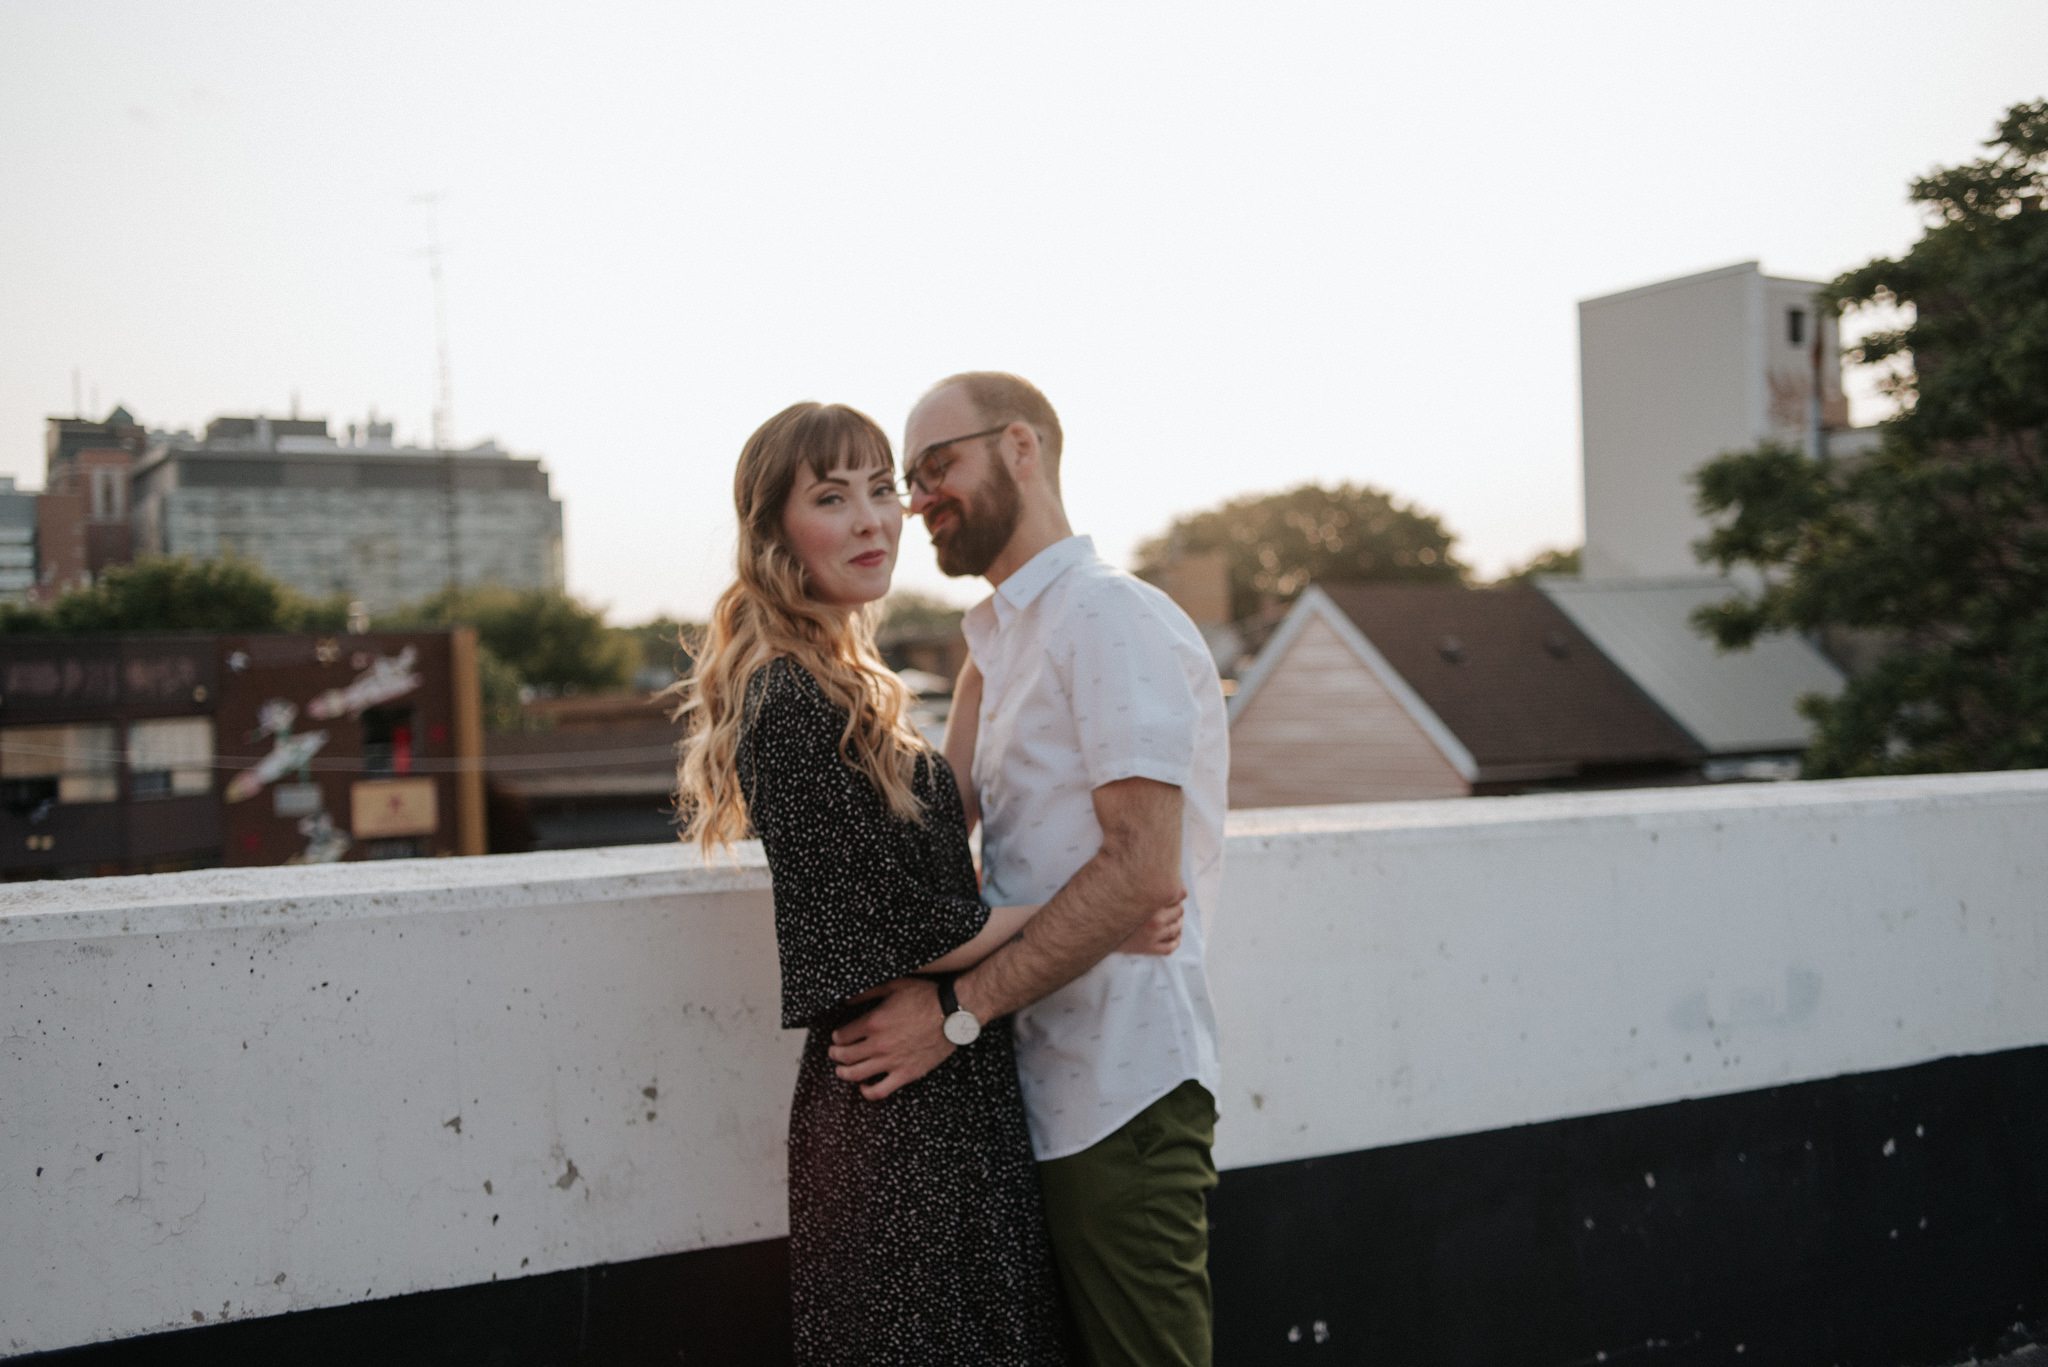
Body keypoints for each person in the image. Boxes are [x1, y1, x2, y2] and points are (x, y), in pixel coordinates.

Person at [670, 401, 1179, 1366]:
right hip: (897, 1122)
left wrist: (990, 655)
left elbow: (929, 834)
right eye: (832, 497)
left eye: (881, 490)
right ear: (776, 530)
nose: (872, 520)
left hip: (948, 1095)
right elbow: (897, 922)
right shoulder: (786, 697)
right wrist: (1097, 919)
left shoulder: (844, 679)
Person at [825, 373, 1230, 1367]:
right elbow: (928, 843)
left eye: (934, 467)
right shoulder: (994, 648)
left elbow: (1138, 872)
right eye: (904, 481)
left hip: (1119, 1091)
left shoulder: (1108, 617)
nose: (915, 500)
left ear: (1019, 445)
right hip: (1026, 1098)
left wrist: (953, 1012)